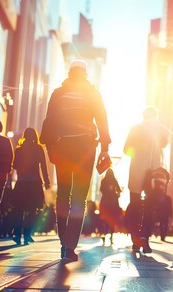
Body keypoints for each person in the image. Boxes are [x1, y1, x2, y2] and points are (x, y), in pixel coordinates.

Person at [40, 60, 111, 261]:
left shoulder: (58, 93)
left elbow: (49, 121)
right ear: (85, 74)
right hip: (85, 149)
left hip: (62, 148)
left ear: (70, 73)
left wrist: (49, 148)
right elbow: (102, 119)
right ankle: (70, 246)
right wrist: (105, 147)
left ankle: (63, 241)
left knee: (63, 195)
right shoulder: (92, 93)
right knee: (79, 198)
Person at [123, 107, 168, 253]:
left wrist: (137, 152)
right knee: (150, 207)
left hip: (136, 170)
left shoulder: (135, 129)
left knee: (135, 205)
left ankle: (135, 239)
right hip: (154, 173)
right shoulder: (160, 129)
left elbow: (126, 149)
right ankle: (145, 239)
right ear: (155, 116)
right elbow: (164, 143)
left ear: (143, 116)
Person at [12, 128, 50, 246]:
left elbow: (15, 166)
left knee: (19, 210)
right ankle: (27, 235)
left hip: (22, 183)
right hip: (34, 183)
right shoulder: (38, 149)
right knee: (32, 210)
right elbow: (43, 166)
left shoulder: (19, 150)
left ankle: (17, 235)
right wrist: (46, 181)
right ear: (34, 137)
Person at [99, 168, 122, 245]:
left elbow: (101, 190)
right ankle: (111, 236)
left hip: (105, 202)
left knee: (105, 220)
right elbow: (119, 190)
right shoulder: (114, 181)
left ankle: (104, 235)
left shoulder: (103, 181)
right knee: (112, 220)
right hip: (113, 202)